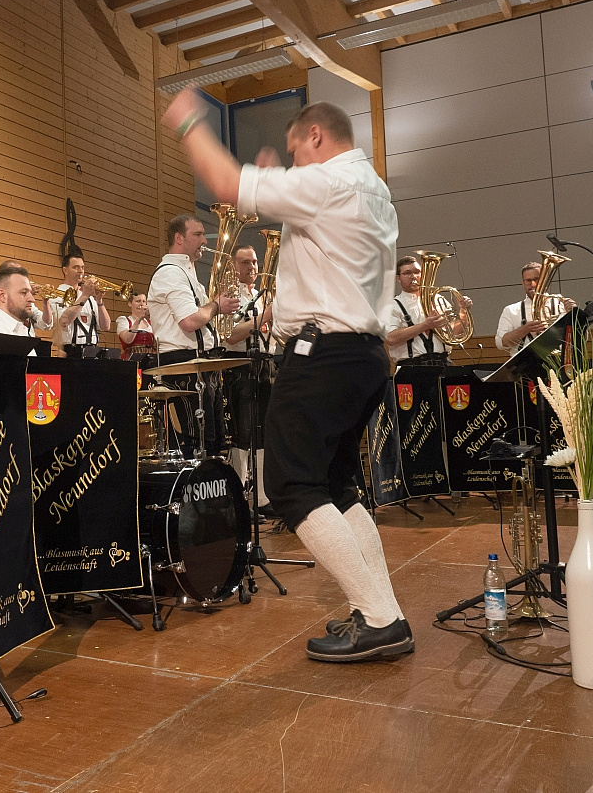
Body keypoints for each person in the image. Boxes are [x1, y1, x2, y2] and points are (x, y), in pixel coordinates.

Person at [163, 90, 412, 663]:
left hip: (323, 356)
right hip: (365, 354)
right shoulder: (374, 189)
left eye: (297, 151)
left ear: (316, 137)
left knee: (291, 486)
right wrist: (284, 181)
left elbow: (225, 183)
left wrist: (190, 121)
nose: (296, 163)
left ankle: (380, 618)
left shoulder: (326, 182)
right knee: (337, 487)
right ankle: (385, 612)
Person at [146, 214, 239, 456]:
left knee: (215, 442)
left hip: (201, 365)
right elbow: (189, 321)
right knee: (197, 443)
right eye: (197, 234)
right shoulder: (170, 273)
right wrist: (216, 305)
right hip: (183, 367)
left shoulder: (188, 273)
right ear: (179, 238)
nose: (204, 241)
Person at [222, 243, 271, 511]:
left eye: (254, 262)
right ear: (233, 266)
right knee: (242, 433)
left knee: (263, 433)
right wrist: (266, 315)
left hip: (265, 363)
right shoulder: (229, 295)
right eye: (245, 262)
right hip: (239, 365)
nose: (252, 267)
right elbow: (230, 335)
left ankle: (262, 497)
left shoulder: (260, 295)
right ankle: (238, 498)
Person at [383, 254, 470, 366]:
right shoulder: (393, 305)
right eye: (407, 273)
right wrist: (425, 325)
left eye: (417, 272)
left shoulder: (437, 299)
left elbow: (454, 333)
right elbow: (390, 338)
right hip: (412, 366)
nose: (414, 276)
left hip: (443, 362)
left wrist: (463, 311)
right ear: (398, 278)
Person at [495, 261, 576, 353]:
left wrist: (574, 314)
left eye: (536, 279)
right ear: (523, 283)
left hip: (560, 359)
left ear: (545, 280)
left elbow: (582, 338)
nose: (533, 284)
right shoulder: (510, 310)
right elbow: (500, 344)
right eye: (528, 280)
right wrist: (524, 330)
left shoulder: (561, 304)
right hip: (525, 361)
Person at [48, 250, 110, 355]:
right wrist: (85, 296)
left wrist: (99, 301)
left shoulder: (89, 298)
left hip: (92, 351)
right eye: (76, 267)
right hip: (70, 351)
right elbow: (64, 321)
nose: (81, 271)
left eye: (82, 267)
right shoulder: (57, 294)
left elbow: (106, 327)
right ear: (65, 270)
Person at [0, 258, 51, 332]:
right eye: (15, 271)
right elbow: (6, 320)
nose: (32, 300)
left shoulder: (27, 303)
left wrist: (45, 301)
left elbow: (45, 324)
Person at [116, 291, 153, 359]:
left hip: (149, 358)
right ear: (130, 304)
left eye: (144, 301)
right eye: (138, 301)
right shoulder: (124, 320)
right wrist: (139, 319)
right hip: (131, 359)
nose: (141, 304)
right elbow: (128, 339)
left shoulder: (150, 323)